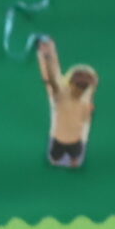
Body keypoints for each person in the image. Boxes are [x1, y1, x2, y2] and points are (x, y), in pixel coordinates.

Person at [37, 36, 98, 169]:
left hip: (69, 141)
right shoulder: (80, 97)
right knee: (63, 159)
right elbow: (52, 77)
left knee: (59, 159)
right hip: (69, 141)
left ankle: (68, 162)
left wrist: (46, 54)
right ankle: (69, 162)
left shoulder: (66, 95)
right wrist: (48, 53)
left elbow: (51, 78)